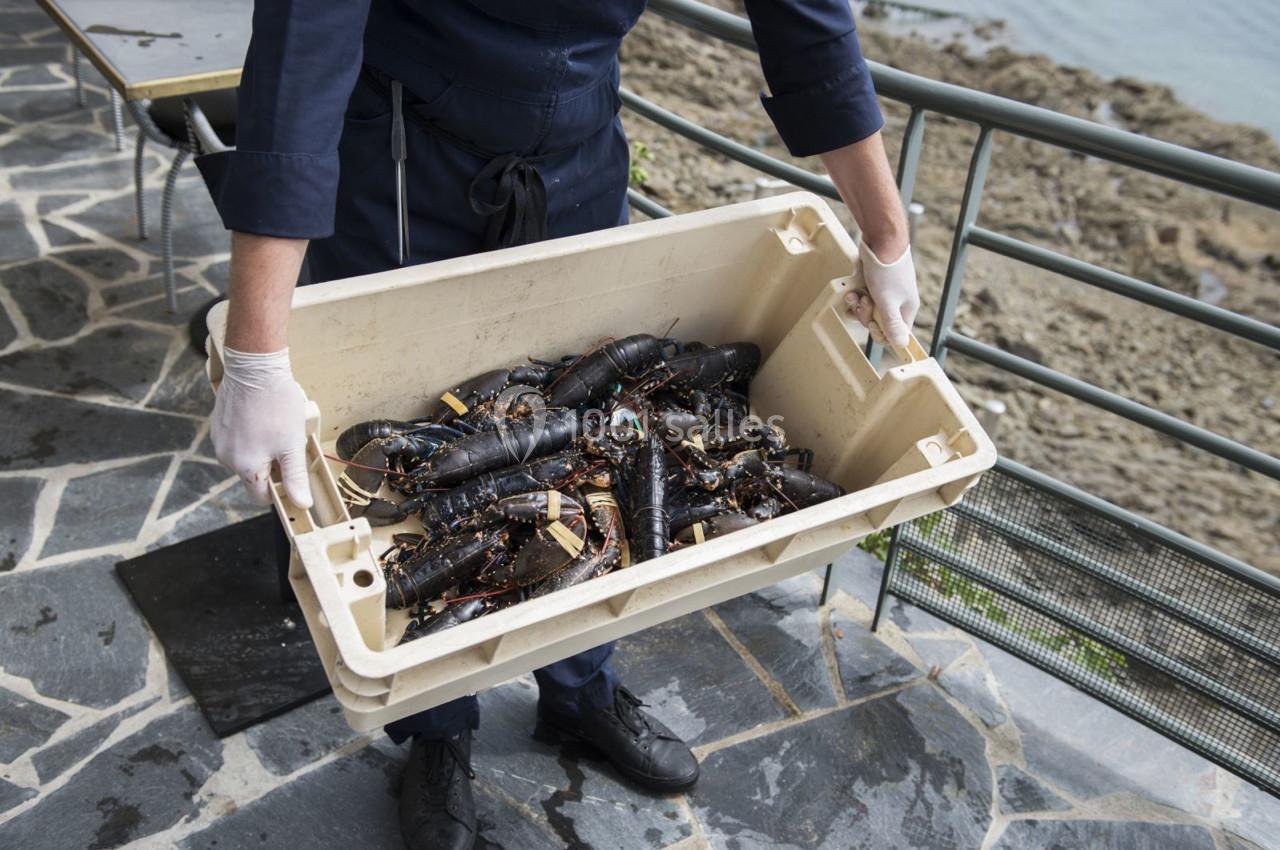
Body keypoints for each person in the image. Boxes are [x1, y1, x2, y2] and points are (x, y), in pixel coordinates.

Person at [200, 2, 918, 848]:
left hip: (577, 152)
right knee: (419, 415)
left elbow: (805, 22)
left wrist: (886, 234)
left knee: (593, 442)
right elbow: (302, 49)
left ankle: (580, 689)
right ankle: (436, 730)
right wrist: (256, 351)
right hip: (400, 160)